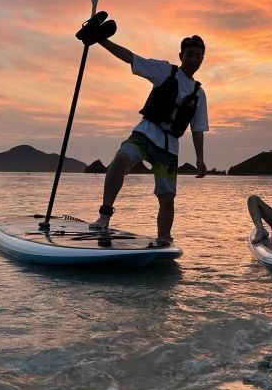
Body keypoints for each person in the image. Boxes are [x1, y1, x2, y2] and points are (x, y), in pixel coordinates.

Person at [77, 15, 209, 246]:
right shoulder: (164, 71)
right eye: (189, 55)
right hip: (145, 134)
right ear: (181, 56)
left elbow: (198, 128)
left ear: (202, 60)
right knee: (120, 162)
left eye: (198, 56)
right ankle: (104, 217)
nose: (193, 60)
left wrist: (199, 158)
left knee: (167, 200)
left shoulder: (199, 94)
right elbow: (130, 58)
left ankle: (164, 240)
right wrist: (99, 40)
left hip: (169, 148)